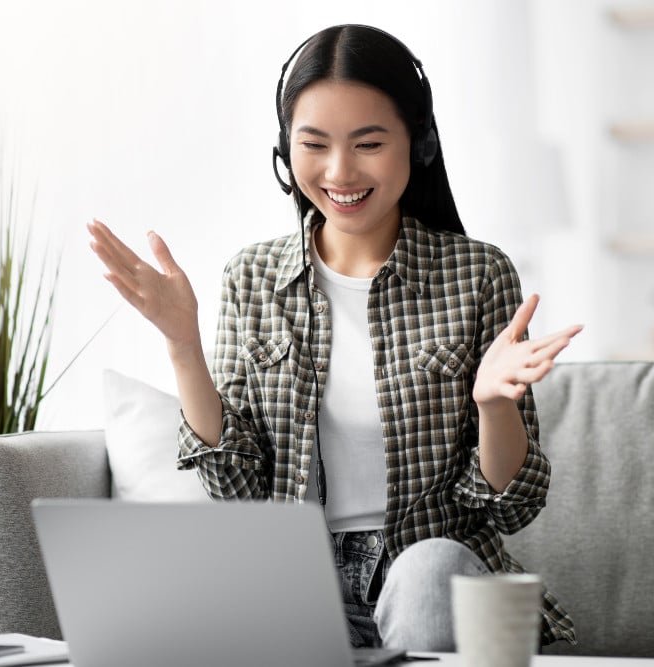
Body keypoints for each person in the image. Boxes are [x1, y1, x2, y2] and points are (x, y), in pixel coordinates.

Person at [87, 24, 580, 651]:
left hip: (431, 580)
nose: (340, 171)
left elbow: (509, 508)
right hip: (300, 590)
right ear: (284, 151)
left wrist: (493, 404)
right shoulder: (253, 278)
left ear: (418, 144)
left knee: (427, 569)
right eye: (314, 144)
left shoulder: (478, 275)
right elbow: (235, 486)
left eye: (369, 143)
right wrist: (183, 347)